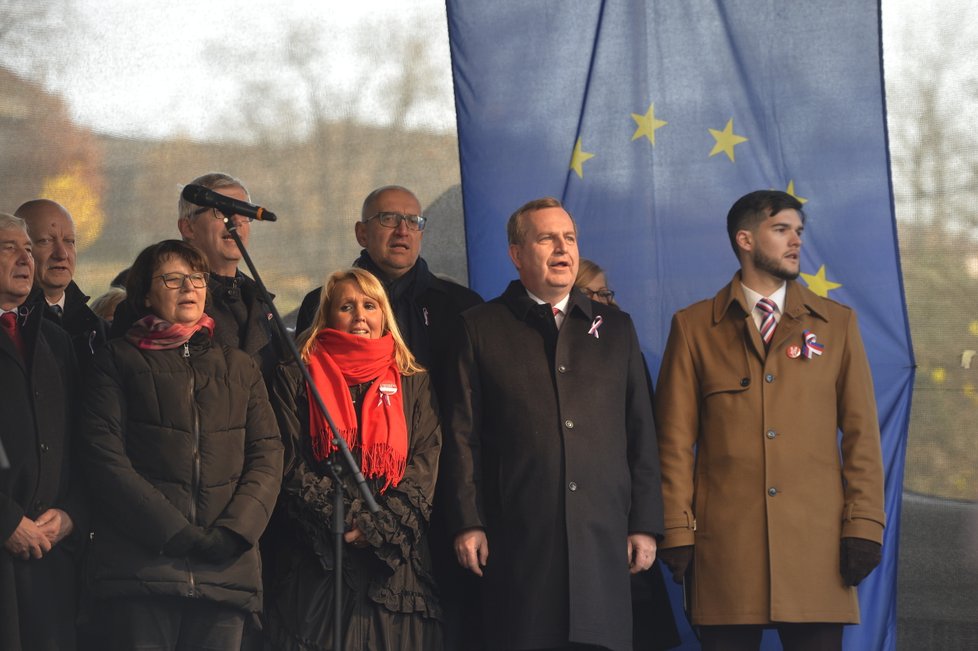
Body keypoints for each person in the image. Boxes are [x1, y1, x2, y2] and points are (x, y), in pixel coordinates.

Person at [654, 190, 886, 650]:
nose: (795, 241)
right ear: (745, 239)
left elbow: (862, 436)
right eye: (781, 230)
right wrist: (676, 528)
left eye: (798, 231)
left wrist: (863, 526)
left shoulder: (837, 325)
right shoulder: (694, 327)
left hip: (817, 549)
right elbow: (673, 443)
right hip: (726, 550)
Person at [444, 197, 663, 651]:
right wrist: (468, 521)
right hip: (519, 541)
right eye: (547, 238)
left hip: (603, 542)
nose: (562, 248)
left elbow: (641, 432)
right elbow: (462, 436)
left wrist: (644, 523)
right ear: (517, 253)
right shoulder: (479, 326)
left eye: (569, 238)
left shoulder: (616, 328)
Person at [294, 184, 482, 647]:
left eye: (413, 221)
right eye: (387, 219)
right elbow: (296, 434)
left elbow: (463, 424)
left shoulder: (459, 308)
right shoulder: (319, 301)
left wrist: (396, 519)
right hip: (328, 531)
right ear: (361, 231)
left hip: (430, 513)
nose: (402, 230)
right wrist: (348, 517)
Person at [80, 239, 284, 650]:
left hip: (225, 569)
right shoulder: (116, 359)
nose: (189, 287)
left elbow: (268, 455)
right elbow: (104, 457)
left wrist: (234, 533)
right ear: (145, 294)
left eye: (196, 278)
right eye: (173, 279)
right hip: (143, 567)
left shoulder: (239, 367)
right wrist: (173, 533)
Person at [264, 267, 443, 650]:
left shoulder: (413, 380)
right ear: (328, 315)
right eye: (347, 306)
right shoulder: (295, 376)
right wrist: (346, 521)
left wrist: (379, 528)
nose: (360, 315)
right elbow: (287, 463)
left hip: (394, 570)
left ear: (384, 316)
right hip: (319, 559)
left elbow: (425, 464)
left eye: (369, 305)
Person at [110, 172, 284, 384]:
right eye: (222, 211)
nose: (236, 221)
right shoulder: (158, 295)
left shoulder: (261, 302)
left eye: (244, 212)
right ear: (188, 227)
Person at [0, 213, 84, 651]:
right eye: (7, 247)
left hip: (51, 555)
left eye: (27, 249)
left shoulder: (54, 339)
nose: (24, 258)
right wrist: (6, 519)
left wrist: (72, 512)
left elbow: (79, 441)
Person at [15, 199, 107, 369]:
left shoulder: (100, 330)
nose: (62, 253)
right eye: (45, 241)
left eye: (69, 241)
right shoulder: (10, 328)